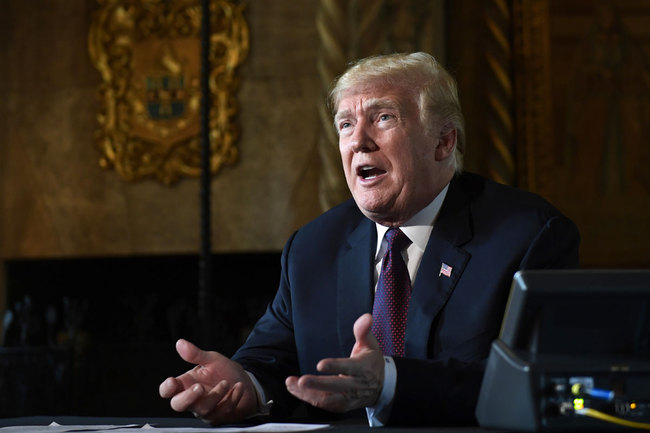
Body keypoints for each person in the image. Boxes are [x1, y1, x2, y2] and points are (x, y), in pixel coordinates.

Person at [159, 52, 580, 426]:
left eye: (383, 118)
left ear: (443, 141)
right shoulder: (313, 247)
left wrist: (390, 383)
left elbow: (534, 384)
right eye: (346, 124)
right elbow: (273, 359)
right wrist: (244, 386)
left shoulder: (528, 236)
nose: (359, 141)